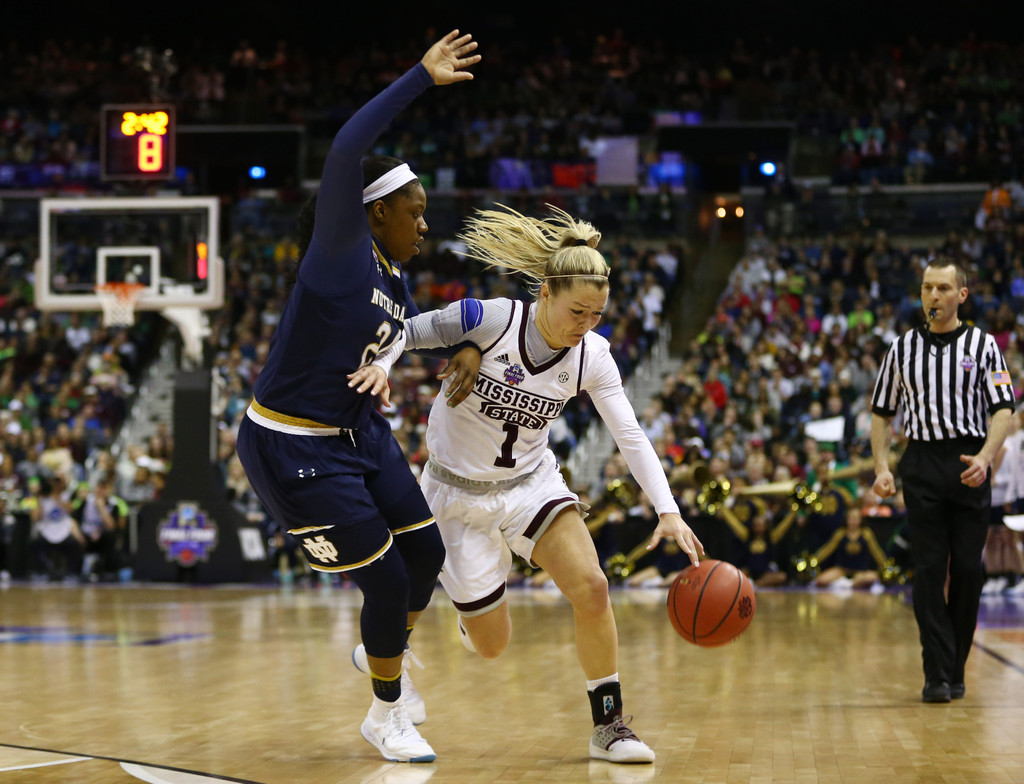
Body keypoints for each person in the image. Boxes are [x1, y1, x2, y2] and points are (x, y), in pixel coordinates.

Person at [353, 204, 705, 764]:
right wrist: (387, 363)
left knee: (592, 586)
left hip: (530, 485)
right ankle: (396, 641)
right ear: (544, 293)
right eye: (577, 310)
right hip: (455, 494)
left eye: (597, 314)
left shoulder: (592, 354)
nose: (586, 324)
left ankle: (608, 726)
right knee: (492, 648)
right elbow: (404, 331)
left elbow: (630, 435)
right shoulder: (488, 319)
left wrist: (668, 510)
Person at [235, 29, 482, 764]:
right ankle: (385, 712)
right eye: (415, 209)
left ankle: (381, 657)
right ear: (375, 213)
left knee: (427, 555)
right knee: (382, 579)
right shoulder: (339, 253)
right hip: (292, 442)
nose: (426, 222)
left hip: (356, 430)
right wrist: (419, 78)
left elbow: (391, 330)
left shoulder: (390, 272)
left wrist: (421, 350)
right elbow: (346, 151)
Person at [870, 256, 1016, 703]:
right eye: (927, 288)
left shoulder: (984, 345)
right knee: (930, 570)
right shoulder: (901, 349)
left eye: (943, 288)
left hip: (969, 460)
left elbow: (1004, 409)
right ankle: (936, 673)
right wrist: (881, 466)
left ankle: (956, 666)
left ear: (961, 295)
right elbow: (881, 413)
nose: (933, 296)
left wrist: (988, 457)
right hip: (922, 464)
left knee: (969, 571)